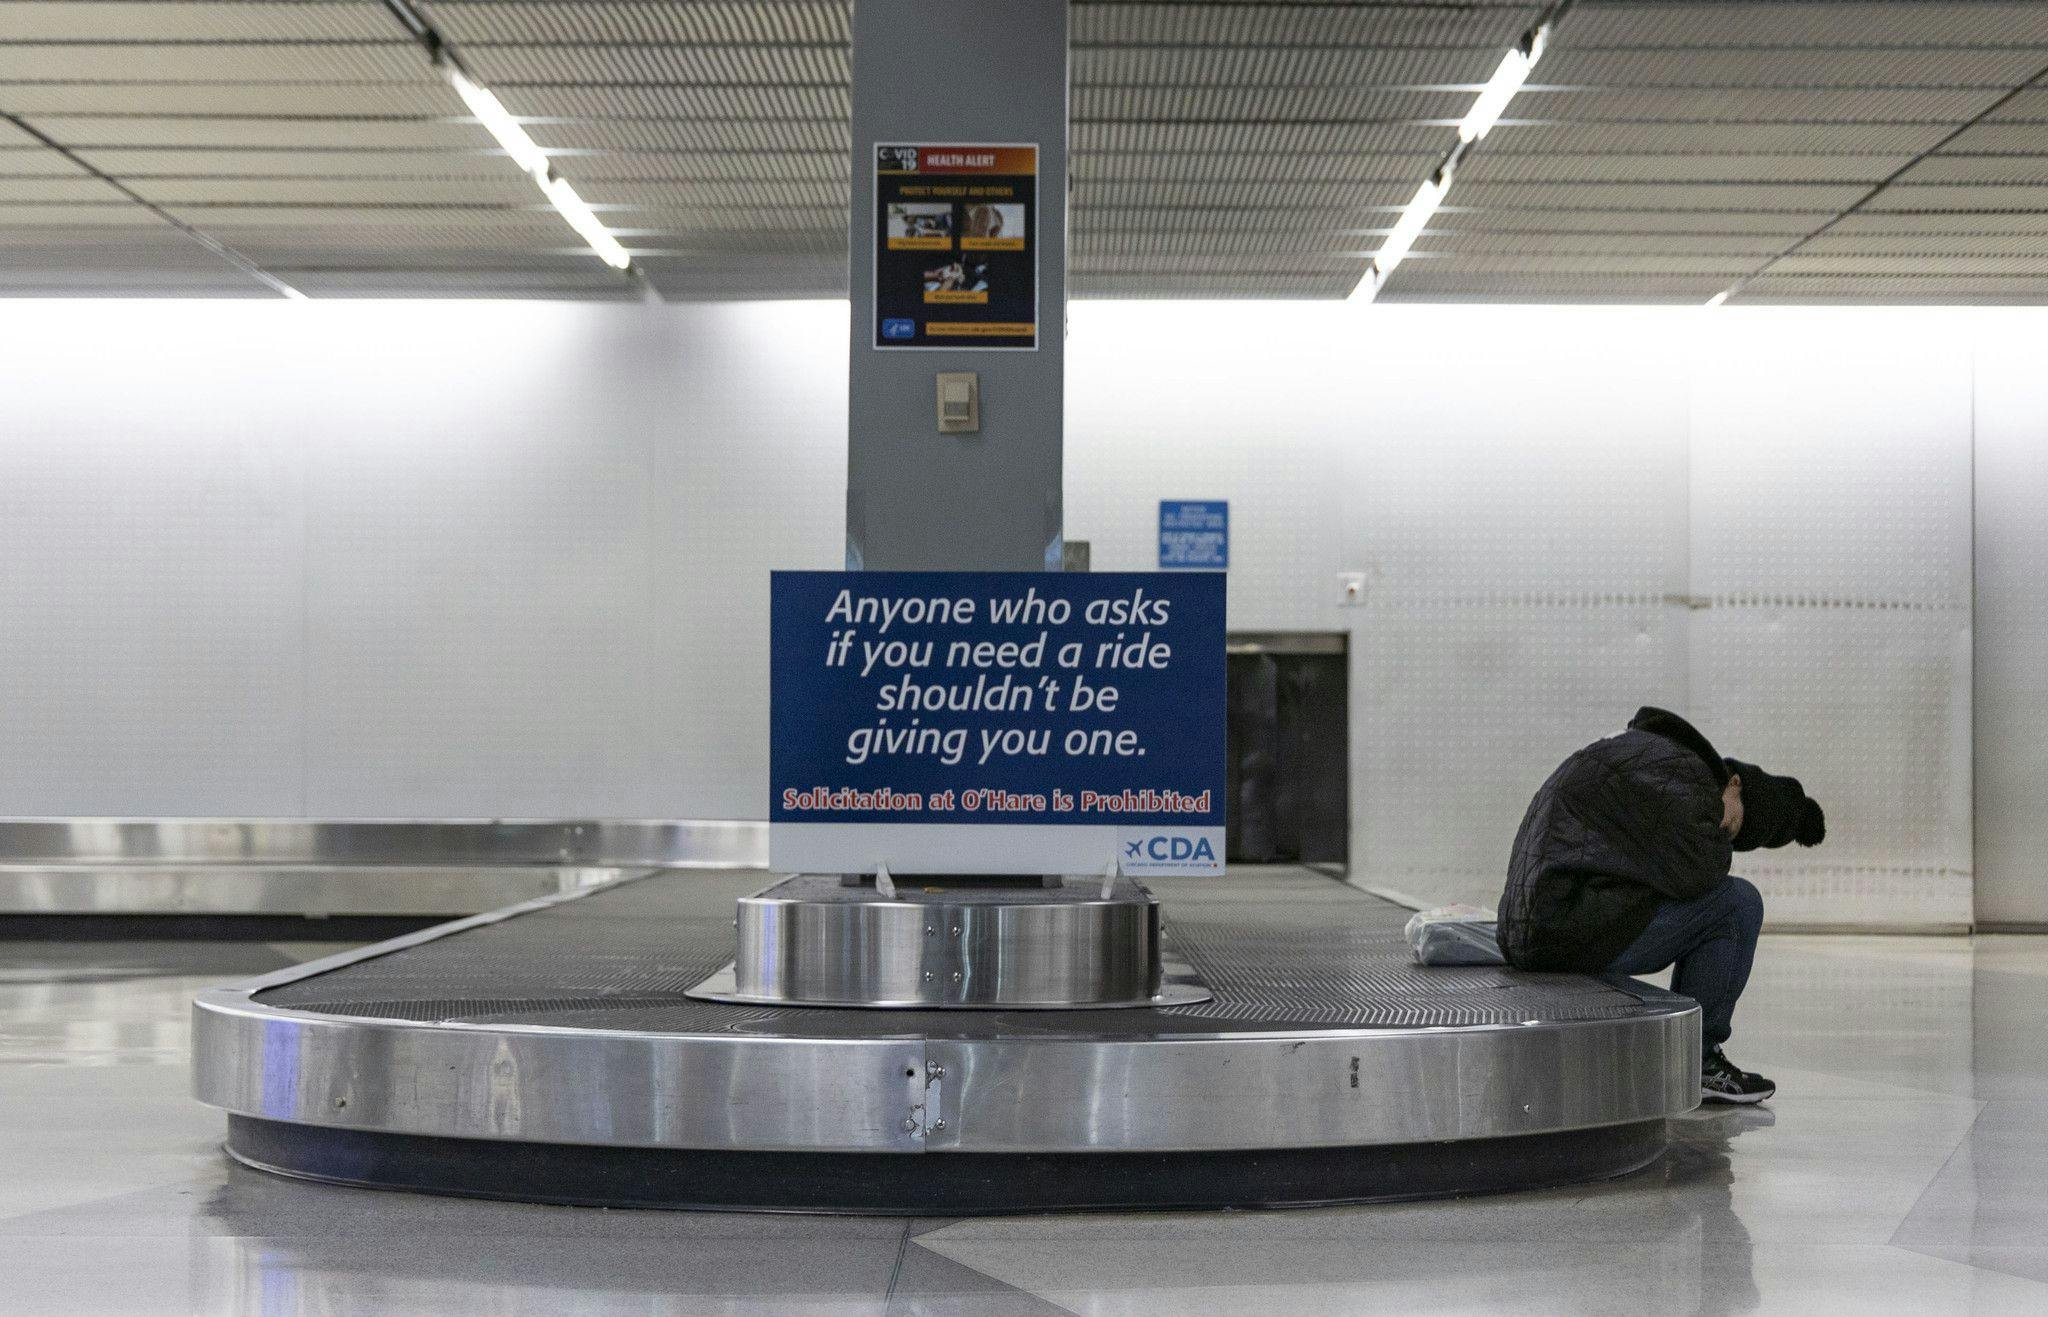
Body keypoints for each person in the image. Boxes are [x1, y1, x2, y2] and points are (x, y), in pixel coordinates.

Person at [1497, 707, 1825, 1104]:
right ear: (1734, 783)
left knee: (1718, 899)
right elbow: (1697, 873)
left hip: (1534, 925)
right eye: (1733, 824)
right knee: (1738, 903)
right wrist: (1716, 844)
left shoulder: (1647, 754)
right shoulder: (1685, 774)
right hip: (1561, 926)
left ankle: (1686, 1053)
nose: (1722, 830)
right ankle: (1696, 1062)